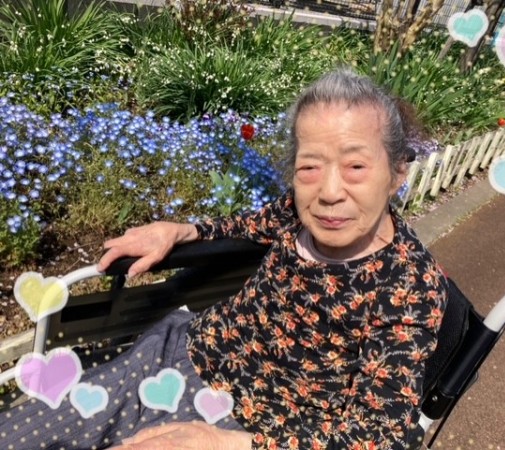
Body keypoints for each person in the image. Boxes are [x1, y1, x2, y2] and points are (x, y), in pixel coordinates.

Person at [0, 68, 448, 449]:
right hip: (181, 354)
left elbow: (378, 437)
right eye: (310, 167)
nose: (330, 192)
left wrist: (223, 442)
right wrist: (182, 231)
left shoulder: (408, 286)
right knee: (17, 434)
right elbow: (245, 226)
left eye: (355, 167)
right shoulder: (296, 212)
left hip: (253, 429)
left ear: (397, 172)